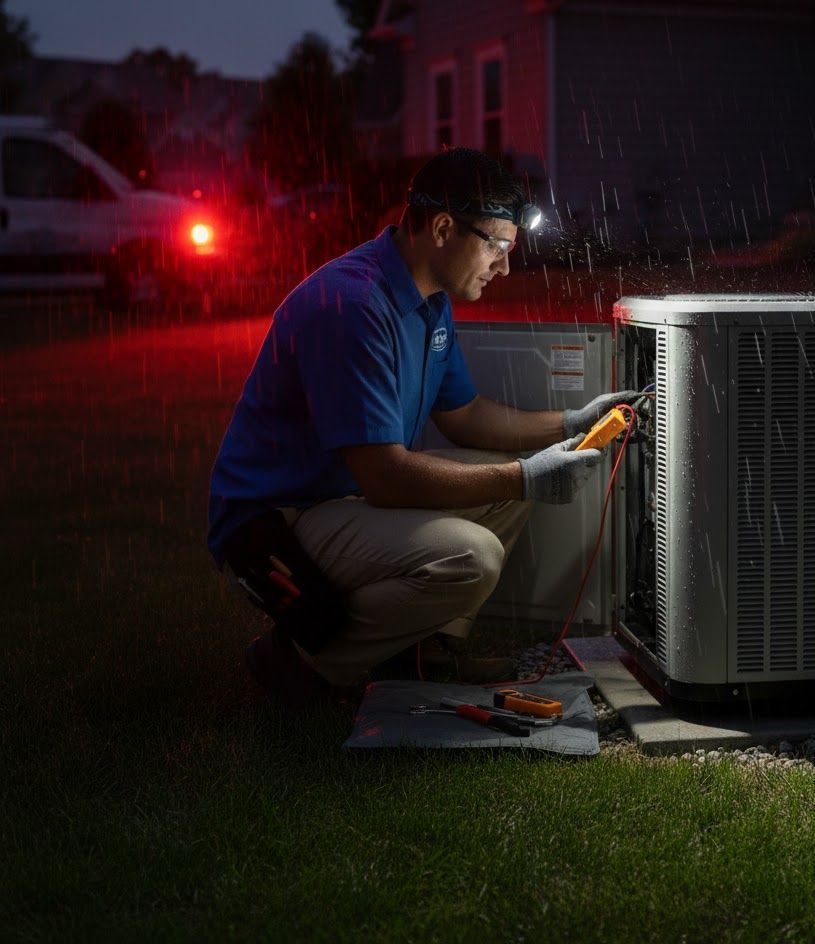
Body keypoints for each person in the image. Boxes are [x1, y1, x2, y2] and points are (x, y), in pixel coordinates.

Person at [207, 148, 636, 704]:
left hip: (341, 496)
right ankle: (298, 662)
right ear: (441, 228)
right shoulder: (353, 306)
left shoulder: (429, 298)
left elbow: (465, 416)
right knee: (471, 555)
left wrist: (574, 421)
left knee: (505, 487)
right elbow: (386, 477)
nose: (505, 266)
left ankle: (423, 651)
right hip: (278, 518)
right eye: (498, 246)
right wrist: (525, 475)